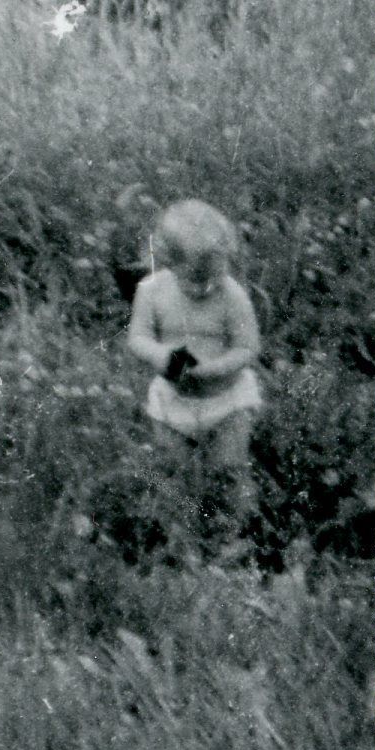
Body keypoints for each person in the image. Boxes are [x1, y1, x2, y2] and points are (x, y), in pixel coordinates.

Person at [126, 198, 263, 549]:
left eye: (214, 277)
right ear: (168, 263)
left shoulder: (233, 296)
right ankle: (183, 537)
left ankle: (235, 536)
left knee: (229, 469)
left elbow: (248, 347)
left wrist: (212, 370)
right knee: (174, 472)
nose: (205, 288)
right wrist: (162, 356)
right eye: (194, 279)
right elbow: (138, 338)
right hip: (173, 399)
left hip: (227, 400)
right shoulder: (151, 292)